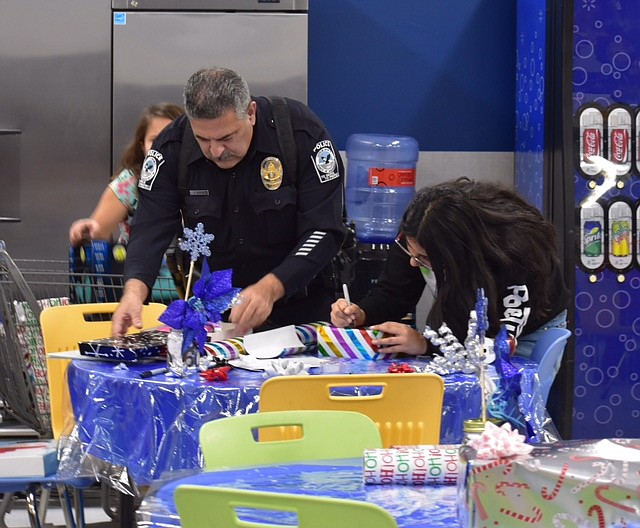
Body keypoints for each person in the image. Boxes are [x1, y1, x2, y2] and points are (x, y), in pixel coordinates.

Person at [112, 67, 345, 337]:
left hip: (304, 310)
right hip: (223, 317)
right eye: (203, 139)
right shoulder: (172, 147)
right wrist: (134, 292)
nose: (216, 151)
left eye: (226, 138)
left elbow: (324, 230)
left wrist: (270, 288)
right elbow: (150, 226)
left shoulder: (300, 134)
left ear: (251, 113)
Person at [331, 177, 570, 358]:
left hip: (527, 329)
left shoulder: (515, 254)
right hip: (466, 325)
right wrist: (361, 313)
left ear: (455, 253)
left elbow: (498, 344)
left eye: (423, 257)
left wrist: (427, 345)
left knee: (505, 406)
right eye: (411, 253)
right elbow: (394, 293)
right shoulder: (417, 233)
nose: (414, 262)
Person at [69, 102, 184, 302]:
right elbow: (98, 232)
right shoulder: (130, 183)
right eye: (156, 141)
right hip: (141, 292)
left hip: (193, 290)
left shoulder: (202, 177)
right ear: (142, 146)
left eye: (173, 141)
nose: (165, 149)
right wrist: (86, 230)